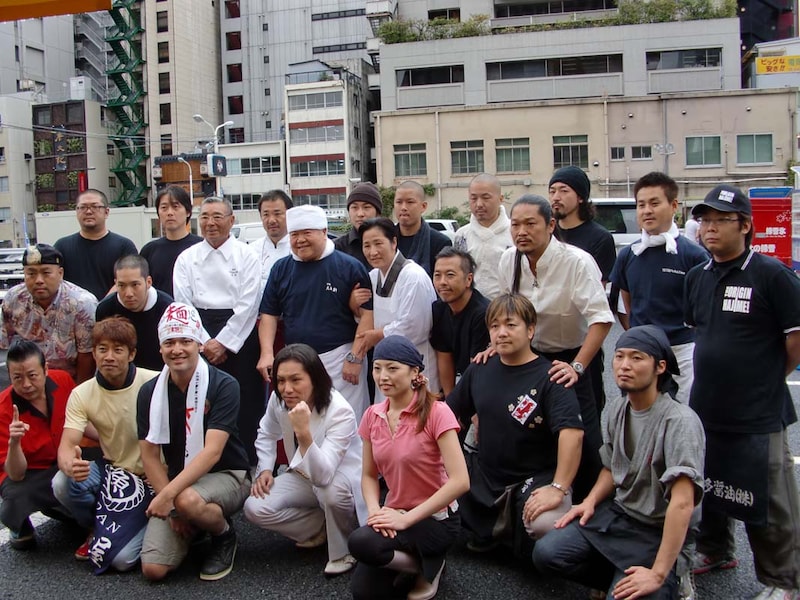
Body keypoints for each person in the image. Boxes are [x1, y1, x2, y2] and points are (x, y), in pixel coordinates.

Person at [684, 184, 800, 599]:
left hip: (758, 411)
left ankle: (781, 581)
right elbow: (703, 332)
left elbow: (794, 339)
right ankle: (715, 550)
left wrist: (764, 377)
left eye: (721, 220)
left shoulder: (771, 275)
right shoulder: (698, 275)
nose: (710, 229)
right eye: (705, 220)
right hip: (709, 406)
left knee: (769, 501)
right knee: (712, 485)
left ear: (746, 225)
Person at [533, 325, 705, 600]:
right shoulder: (618, 408)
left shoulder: (679, 422)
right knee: (547, 553)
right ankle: (618, 577)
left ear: (660, 367)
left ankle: (671, 575)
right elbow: (612, 467)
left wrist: (658, 573)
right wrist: (588, 502)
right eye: (619, 356)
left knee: (636, 592)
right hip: (621, 517)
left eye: (637, 358)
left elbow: (683, 503)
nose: (625, 365)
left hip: (658, 530)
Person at [447, 294, 584, 555]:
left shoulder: (552, 376)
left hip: (534, 478)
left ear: (530, 330)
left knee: (545, 525)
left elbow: (572, 435)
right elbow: (447, 415)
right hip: (485, 473)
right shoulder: (480, 367)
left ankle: (515, 538)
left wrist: (558, 487)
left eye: (511, 325)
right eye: (495, 326)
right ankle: (494, 533)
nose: (502, 333)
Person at [498, 194, 612, 502]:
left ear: (550, 225)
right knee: (530, 429)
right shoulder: (509, 260)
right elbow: (507, 313)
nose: (521, 231)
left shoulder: (576, 261)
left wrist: (577, 367)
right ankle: (536, 497)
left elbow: (601, 320)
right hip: (529, 358)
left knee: (583, 436)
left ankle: (592, 507)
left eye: (530, 224)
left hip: (573, 358)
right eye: (516, 224)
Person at [348, 335, 469, 600]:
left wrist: (405, 519)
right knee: (365, 593)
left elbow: (461, 481)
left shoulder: (437, 412)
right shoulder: (372, 415)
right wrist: (375, 512)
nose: (383, 376)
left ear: (414, 372)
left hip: (436, 521)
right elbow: (369, 475)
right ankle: (416, 565)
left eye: (393, 368)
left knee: (362, 542)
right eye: (377, 368)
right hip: (396, 513)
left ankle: (432, 566)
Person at [137, 302, 250, 582]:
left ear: (199, 343)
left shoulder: (224, 384)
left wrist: (168, 499)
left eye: (185, 341)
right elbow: (149, 456)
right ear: (160, 348)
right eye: (169, 342)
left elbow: (212, 453)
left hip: (226, 474)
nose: (177, 349)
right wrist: (171, 505)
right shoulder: (150, 392)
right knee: (153, 570)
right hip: (178, 482)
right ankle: (195, 523)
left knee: (188, 501)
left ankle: (223, 534)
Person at [244, 344, 364, 577]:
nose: (286, 389)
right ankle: (321, 526)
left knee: (330, 493)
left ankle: (343, 549)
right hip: (301, 475)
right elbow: (266, 432)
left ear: (316, 379)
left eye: (295, 380)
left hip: (338, 478)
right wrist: (266, 469)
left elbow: (324, 475)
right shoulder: (279, 400)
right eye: (280, 381)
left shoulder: (340, 411)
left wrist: (304, 434)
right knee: (255, 507)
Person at [52, 317, 159, 572]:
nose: (109, 356)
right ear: (95, 353)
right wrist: (70, 464)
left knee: (122, 562)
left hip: (156, 478)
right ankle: (95, 528)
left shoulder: (154, 383)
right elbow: (67, 445)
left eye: (118, 350)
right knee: (62, 483)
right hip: (115, 472)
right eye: (102, 349)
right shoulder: (82, 393)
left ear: (131, 354)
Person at [258, 204, 374, 420]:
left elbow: (368, 316)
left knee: (348, 422)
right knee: (304, 424)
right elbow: (269, 315)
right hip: (296, 362)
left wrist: (356, 357)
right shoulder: (281, 269)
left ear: (323, 232)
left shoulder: (349, 266)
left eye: (306, 233)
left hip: (341, 359)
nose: (300, 240)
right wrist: (266, 353)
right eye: (294, 234)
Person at [173, 197, 263, 464]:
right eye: (205, 217)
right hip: (200, 330)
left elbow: (249, 304)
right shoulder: (187, 258)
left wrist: (223, 342)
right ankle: (201, 462)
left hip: (239, 334)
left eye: (217, 217)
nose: (210, 223)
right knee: (201, 398)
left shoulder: (247, 255)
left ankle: (247, 462)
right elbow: (183, 302)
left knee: (245, 399)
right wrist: (205, 341)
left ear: (231, 221)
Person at [610, 172, 708, 404]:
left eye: (655, 203)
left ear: (673, 205)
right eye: (641, 204)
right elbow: (628, 300)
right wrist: (635, 336)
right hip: (641, 352)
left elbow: (704, 308)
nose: (646, 210)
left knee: (683, 414)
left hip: (682, 349)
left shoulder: (693, 255)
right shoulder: (628, 254)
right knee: (639, 414)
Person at [548, 166, 616, 413]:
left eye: (563, 190)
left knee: (586, 411)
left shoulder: (599, 238)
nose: (556, 196)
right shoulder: (546, 233)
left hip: (582, 339)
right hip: (544, 340)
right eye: (552, 190)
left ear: (580, 197)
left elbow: (595, 295)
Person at [0, 340, 75, 549]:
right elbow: (15, 474)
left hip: (64, 457)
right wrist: (14, 442)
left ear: (46, 369)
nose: (26, 384)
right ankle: (20, 526)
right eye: (17, 378)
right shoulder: (3, 408)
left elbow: (82, 422)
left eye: (32, 376)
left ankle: (64, 508)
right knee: (15, 496)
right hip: (31, 472)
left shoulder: (64, 381)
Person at [356, 217, 439, 397]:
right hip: (386, 363)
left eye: (378, 243)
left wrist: (378, 334)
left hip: (414, 361)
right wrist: (353, 303)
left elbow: (415, 327)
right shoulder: (373, 276)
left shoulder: (413, 276)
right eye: (367, 245)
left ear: (394, 242)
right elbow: (366, 314)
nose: (372, 252)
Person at [0, 243, 97, 383]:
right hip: (28, 380)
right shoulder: (13, 299)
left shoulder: (82, 303)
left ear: (60, 273)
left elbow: (87, 355)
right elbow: (3, 344)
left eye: (46, 273)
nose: (39, 280)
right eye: (31, 273)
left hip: (69, 379)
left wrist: (78, 394)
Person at [54, 189, 137, 300]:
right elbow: (55, 281)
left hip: (113, 312)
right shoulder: (62, 246)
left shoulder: (124, 246)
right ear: (76, 211)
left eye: (95, 206)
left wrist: (102, 306)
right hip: (73, 312)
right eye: (83, 207)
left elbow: (129, 280)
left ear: (106, 212)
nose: (88, 211)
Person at [95, 255, 174, 371]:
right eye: (121, 285)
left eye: (135, 285)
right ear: (115, 283)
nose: (128, 293)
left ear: (148, 282)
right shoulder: (106, 309)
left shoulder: (167, 308)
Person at [430, 247, 490, 396]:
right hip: (461, 378)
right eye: (437, 275)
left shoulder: (483, 313)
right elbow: (444, 355)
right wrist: (451, 404)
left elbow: (477, 368)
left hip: (484, 383)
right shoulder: (439, 308)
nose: (442, 282)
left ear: (468, 279)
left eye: (450, 275)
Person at [453, 173, 512, 300]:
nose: (479, 204)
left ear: (500, 199)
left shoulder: (514, 233)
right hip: (471, 308)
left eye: (486, 198)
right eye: (473, 198)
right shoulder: (461, 235)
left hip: (506, 307)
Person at [140, 185, 202, 297]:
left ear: (188, 211)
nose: (169, 213)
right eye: (164, 208)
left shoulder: (201, 247)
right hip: (160, 312)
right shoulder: (149, 250)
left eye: (175, 207)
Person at [394, 181, 452, 276]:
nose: (403, 207)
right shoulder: (386, 240)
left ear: (423, 206)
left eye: (410, 202)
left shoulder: (440, 243)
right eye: (399, 202)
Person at [250, 189, 293, 289]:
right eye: (266, 214)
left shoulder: (300, 250)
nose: (271, 220)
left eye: (277, 214)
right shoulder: (251, 251)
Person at [334, 182, 383, 269]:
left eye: (366, 207)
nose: (360, 214)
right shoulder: (336, 248)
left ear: (378, 213)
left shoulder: (390, 243)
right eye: (354, 208)